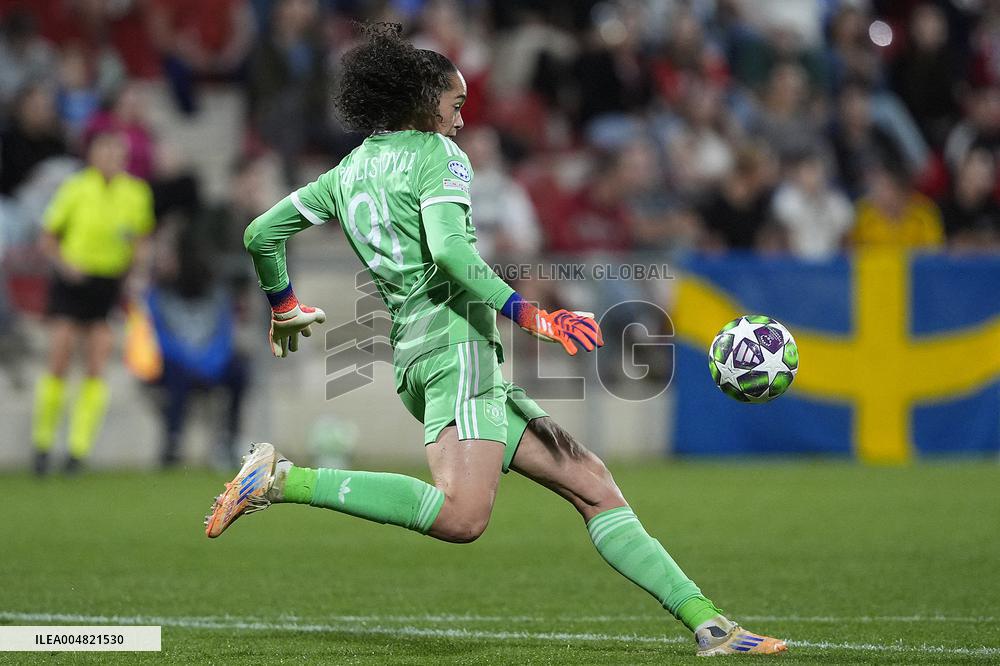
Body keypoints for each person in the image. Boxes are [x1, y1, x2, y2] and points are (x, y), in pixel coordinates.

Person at [203, 23, 786, 657]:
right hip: (457, 350)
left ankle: (711, 626)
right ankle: (282, 480)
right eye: (454, 105)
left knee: (593, 485)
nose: (460, 119)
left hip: (422, 354)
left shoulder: (346, 172)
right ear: (424, 103)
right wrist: (532, 314)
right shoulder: (438, 157)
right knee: (461, 516)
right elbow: (453, 254)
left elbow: (261, 232)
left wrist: (283, 303)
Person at [32, 129, 154, 475]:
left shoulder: (136, 192)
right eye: (105, 151)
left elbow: (142, 238)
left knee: (97, 361)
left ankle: (77, 451)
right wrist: (63, 265)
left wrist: (135, 273)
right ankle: (42, 444)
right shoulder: (75, 187)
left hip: (107, 282)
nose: (111, 158)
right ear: (92, 155)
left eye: (117, 152)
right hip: (73, 280)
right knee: (59, 355)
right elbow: (48, 236)